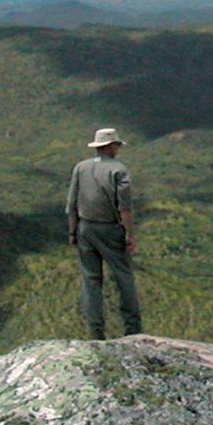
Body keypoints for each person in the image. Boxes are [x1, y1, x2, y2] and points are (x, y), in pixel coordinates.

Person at [66, 126, 142, 338]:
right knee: (123, 277)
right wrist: (129, 235)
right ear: (110, 146)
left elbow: (71, 203)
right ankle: (132, 329)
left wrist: (72, 232)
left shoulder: (80, 168)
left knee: (91, 279)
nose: (117, 148)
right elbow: (124, 206)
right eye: (116, 145)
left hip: (85, 228)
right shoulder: (119, 170)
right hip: (109, 228)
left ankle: (96, 331)